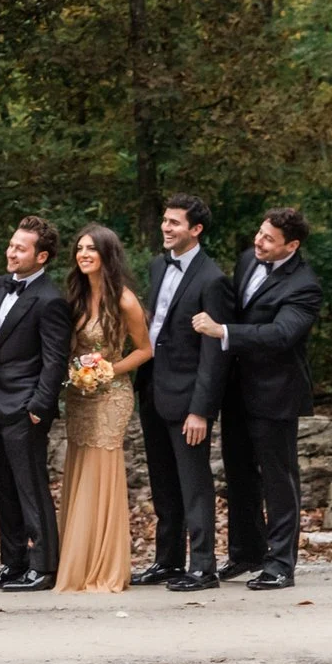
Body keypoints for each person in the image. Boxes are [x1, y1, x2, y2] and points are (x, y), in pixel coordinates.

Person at [194, 205, 322, 590]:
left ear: (292, 245)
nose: (258, 241)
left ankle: (281, 563)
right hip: (235, 388)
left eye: (269, 238)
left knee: (278, 478)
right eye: (260, 233)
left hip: (276, 392)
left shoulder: (305, 286)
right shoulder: (249, 260)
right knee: (238, 474)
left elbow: (282, 335)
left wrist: (223, 332)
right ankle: (246, 553)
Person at [135, 194, 229, 591]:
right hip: (153, 388)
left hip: (188, 397)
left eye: (174, 222)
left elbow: (215, 353)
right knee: (162, 482)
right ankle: (168, 561)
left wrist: (201, 410)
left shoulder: (213, 279)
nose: (166, 227)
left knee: (194, 484)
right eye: (165, 220)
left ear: (196, 229)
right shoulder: (159, 265)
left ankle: (203, 566)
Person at [56, 225, 153, 593]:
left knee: (101, 471)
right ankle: (76, 563)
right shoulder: (76, 298)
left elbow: (144, 349)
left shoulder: (124, 299)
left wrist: (108, 370)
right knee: (79, 466)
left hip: (112, 395)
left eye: (91, 249)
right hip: (80, 395)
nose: (83, 255)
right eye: (79, 248)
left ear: (106, 255)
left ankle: (102, 565)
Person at [0, 215, 70, 592]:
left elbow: (54, 360)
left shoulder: (50, 301)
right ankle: (12, 561)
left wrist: (39, 406)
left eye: (20, 248)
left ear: (42, 256)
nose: (11, 252)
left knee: (31, 487)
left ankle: (44, 565)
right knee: (3, 487)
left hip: (24, 408)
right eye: (11, 244)